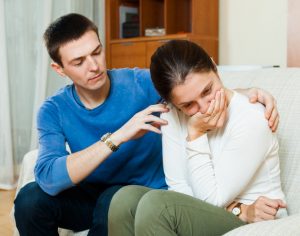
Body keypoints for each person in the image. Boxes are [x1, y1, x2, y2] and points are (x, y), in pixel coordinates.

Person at [13, 13, 278, 236]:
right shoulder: (53, 109)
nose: (93, 66)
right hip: (88, 196)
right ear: (59, 69)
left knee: (114, 199)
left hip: (138, 196)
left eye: (96, 52)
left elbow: (189, 89)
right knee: (29, 199)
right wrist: (118, 137)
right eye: (79, 62)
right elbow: (48, 178)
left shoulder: (141, 84)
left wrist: (244, 93)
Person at [108, 40, 288, 236]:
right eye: (188, 105)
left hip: (259, 223)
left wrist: (196, 135)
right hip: (236, 212)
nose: (204, 108)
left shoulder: (251, 118)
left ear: (215, 68)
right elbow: (178, 190)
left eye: (207, 91)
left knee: (158, 207)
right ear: (174, 104)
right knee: (124, 201)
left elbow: (212, 200)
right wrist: (240, 209)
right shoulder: (172, 117)